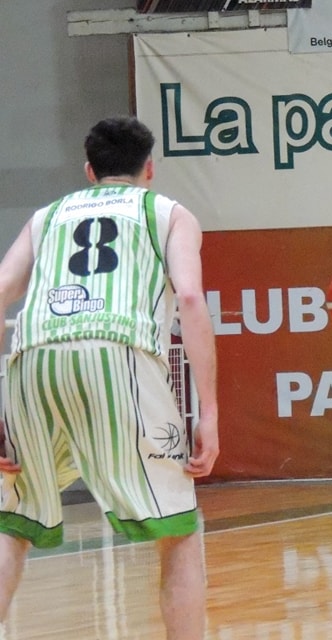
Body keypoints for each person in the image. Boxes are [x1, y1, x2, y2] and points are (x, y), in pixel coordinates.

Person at [0, 116, 219, 639]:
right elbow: (190, 298)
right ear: (150, 168)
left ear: (88, 170)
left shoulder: (47, 216)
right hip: (119, 353)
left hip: (34, 358)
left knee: (12, 521)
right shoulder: (168, 213)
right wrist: (209, 413)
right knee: (179, 532)